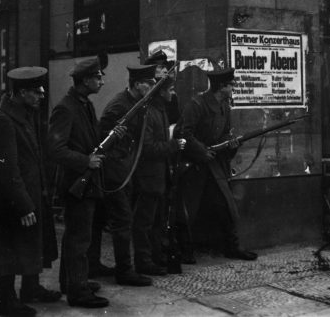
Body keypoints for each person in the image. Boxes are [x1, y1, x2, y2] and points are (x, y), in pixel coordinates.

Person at [0, 67, 60, 316]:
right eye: (37, 91)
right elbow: (8, 169)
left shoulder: (23, 113)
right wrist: (24, 204)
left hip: (27, 192)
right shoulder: (4, 120)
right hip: (11, 198)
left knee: (28, 244)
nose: (42, 95)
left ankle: (31, 289)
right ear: (22, 92)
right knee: (9, 249)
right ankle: (6, 301)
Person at [47, 57, 117, 308]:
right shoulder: (66, 108)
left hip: (85, 181)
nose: (102, 80)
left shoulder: (84, 105)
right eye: (98, 77)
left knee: (76, 236)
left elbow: (89, 140)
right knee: (79, 238)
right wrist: (85, 161)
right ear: (85, 80)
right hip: (76, 182)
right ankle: (78, 292)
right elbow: (55, 150)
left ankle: (71, 282)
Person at [174, 68, 257, 264]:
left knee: (225, 205)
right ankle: (183, 251)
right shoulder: (196, 104)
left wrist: (231, 143)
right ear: (222, 87)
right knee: (188, 210)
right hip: (194, 165)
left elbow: (225, 134)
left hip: (214, 165)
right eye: (231, 85)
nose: (233, 88)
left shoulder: (224, 107)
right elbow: (183, 132)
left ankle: (232, 247)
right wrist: (201, 151)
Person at [98, 64, 156, 285]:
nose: (151, 87)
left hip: (125, 169)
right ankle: (124, 271)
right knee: (122, 221)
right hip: (115, 171)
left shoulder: (135, 103)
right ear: (136, 84)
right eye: (148, 84)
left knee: (121, 220)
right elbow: (101, 136)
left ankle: (109, 266)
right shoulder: (120, 105)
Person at [132, 75, 185, 275]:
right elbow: (147, 148)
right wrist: (173, 146)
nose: (173, 93)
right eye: (170, 90)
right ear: (161, 92)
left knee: (156, 220)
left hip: (158, 177)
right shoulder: (151, 113)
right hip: (149, 177)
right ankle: (144, 261)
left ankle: (154, 257)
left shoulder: (160, 111)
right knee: (145, 221)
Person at [144, 50, 179, 124]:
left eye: (165, 67)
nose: (165, 70)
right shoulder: (144, 93)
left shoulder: (170, 93)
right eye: (160, 67)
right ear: (150, 70)